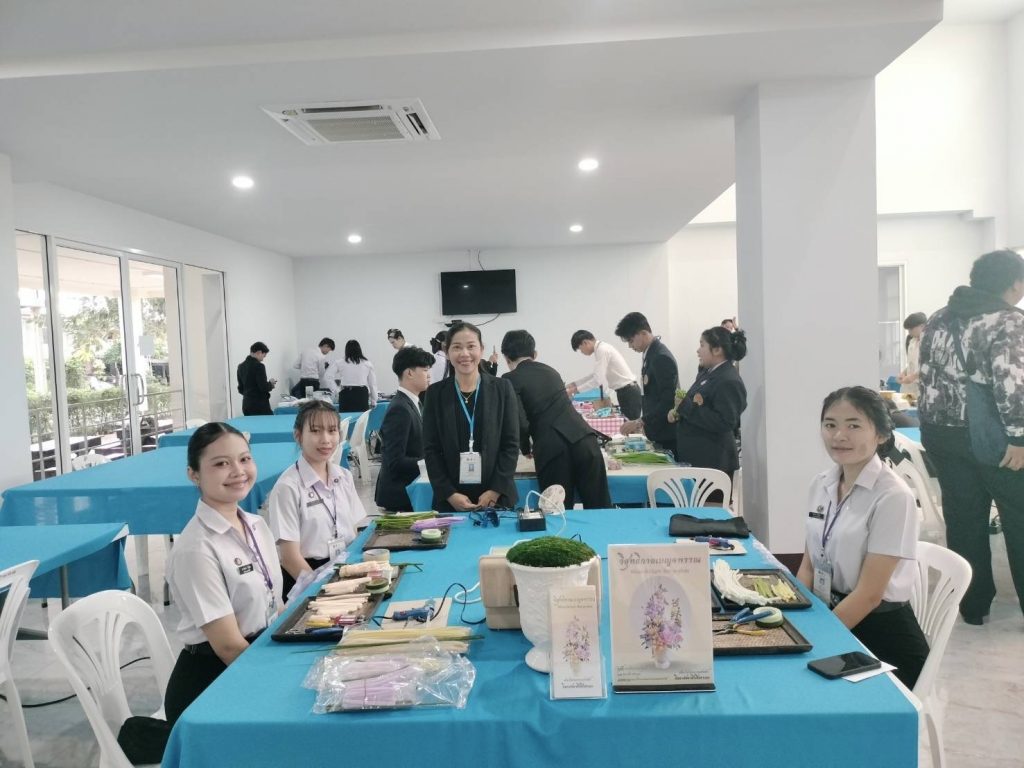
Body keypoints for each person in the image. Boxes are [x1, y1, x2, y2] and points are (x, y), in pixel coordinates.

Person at [918, 249, 1024, 624]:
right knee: (1018, 520)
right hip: (992, 439)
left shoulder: (939, 317)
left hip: (941, 435)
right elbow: (1012, 383)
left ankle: (973, 607)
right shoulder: (1007, 320)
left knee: (964, 521)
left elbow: (927, 376)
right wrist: (1019, 437)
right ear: (1014, 283)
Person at [796, 387, 928, 688]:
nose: (839, 435)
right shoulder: (821, 484)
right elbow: (808, 566)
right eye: (830, 425)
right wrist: (799, 619)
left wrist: (816, 639)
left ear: (880, 434)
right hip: (831, 614)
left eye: (854, 425)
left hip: (880, 635)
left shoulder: (893, 497)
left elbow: (870, 594)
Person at [164, 423, 283, 726]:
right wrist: (280, 683)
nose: (238, 471)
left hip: (258, 655)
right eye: (221, 464)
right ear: (194, 474)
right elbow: (228, 646)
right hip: (214, 684)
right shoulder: (196, 547)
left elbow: (275, 605)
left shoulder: (256, 524)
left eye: (244, 459)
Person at [266, 400, 366, 598]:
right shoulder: (288, 487)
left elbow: (353, 530)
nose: (326, 439)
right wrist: (323, 591)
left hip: (344, 571)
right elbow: (289, 558)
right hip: (305, 580)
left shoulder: (344, 476)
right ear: (298, 435)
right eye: (315, 431)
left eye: (332, 430)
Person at [502, 330, 611, 509]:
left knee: (557, 511)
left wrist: (525, 447)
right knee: (599, 508)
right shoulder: (551, 371)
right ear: (534, 354)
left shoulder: (509, 379)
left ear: (506, 358)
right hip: (585, 440)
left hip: (553, 450)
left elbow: (519, 421)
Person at [422, 321, 520, 512]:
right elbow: (431, 449)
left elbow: (510, 444)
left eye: (471, 346)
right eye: (457, 347)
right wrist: (449, 493)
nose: (465, 354)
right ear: (447, 352)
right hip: (451, 501)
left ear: (481, 349)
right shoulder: (435, 394)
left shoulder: (502, 389)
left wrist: (495, 490)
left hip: (497, 498)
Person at [669, 326, 747, 479]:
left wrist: (687, 408)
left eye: (702, 345)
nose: (698, 351)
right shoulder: (708, 373)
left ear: (717, 350)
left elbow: (725, 422)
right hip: (699, 459)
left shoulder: (728, 380)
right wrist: (678, 412)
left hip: (713, 462)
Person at [374, 346, 434, 511]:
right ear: (409, 373)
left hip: (412, 487)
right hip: (401, 496)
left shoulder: (414, 402)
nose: (429, 375)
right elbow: (395, 462)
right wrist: (431, 462)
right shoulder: (400, 409)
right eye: (425, 370)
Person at [614, 312, 679, 457]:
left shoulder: (660, 357)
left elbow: (668, 401)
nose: (630, 346)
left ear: (643, 333)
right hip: (656, 429)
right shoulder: (650, 354)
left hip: (666, 433)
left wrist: (640, 421)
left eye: (631, 341)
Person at [566, 330, 642, 420]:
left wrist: (575, 390)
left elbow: (598, 380)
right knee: (627, 424)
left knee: (631, 426)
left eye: (580, 349)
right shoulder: (601, 348)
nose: (582, 352)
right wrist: (575, 384)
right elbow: (596, 375)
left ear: (585, 342)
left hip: (629, 393)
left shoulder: (602, 350)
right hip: (626, 391)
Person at [326, 339, 377, 412]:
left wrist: (336, 390)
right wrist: (374, 400)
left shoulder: (340, 362)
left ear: (346, 350)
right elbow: (372, 384)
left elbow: (327, 376)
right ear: (359, 349)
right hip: (362, 394)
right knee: (362, 417)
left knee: (345, 417)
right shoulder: (367, 363)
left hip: (346, 393)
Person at [236, 342, 276, 416]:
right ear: (259, 352)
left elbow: (240, 389)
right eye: (263, 356)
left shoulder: (240, 366)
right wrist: (271, 384)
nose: (262, 359)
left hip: (246, 405)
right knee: (269, 423)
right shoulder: (259, 366)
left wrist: (249, 394)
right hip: (260, 405)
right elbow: (263, 387)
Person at [897, 312, 927, 398]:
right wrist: (903, 373)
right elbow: (912, 363)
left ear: (922, 326)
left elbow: (929, 365)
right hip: (910, 387)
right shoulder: (911, 341)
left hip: (923, 385)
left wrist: (913, 377)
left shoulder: (930, 343)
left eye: (911, 329)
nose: (909, 332)